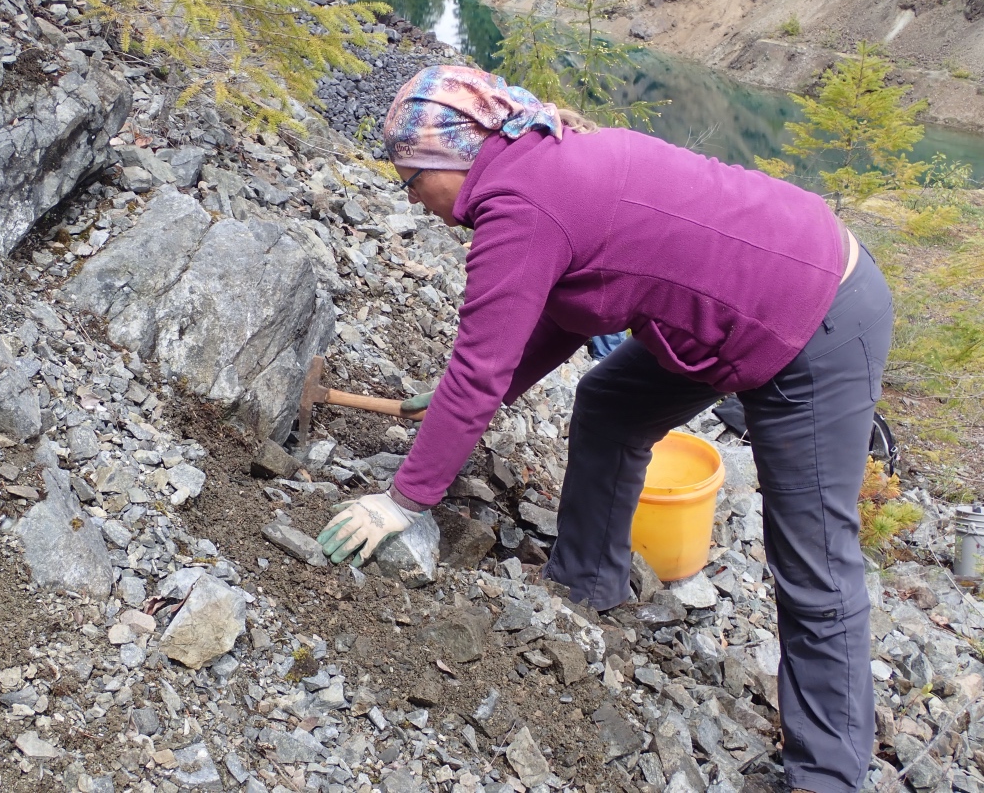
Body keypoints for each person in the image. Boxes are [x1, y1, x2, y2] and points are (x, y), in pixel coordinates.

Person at [316, 65, 892, 793]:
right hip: (738, 300)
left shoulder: (519, 204)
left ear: (453, 157)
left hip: (816, 312)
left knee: (813, 558)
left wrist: (403, 502)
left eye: (411, 178)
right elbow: (559, 313)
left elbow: (479, 368)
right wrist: (473, 393)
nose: (410, 196)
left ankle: (829, 777)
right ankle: (586, 584)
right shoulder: (533, 162)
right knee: (612, 403)